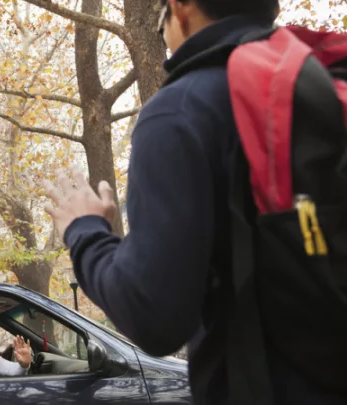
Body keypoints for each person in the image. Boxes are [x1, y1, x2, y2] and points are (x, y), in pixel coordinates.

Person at [44, 1, 347, 404]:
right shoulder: (319, 81)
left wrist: (84, 232)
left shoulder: (180, 111)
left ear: (182, 8)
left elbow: (154, 318)